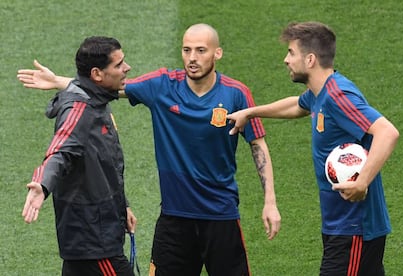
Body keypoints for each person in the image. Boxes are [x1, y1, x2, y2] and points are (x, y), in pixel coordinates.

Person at [17, 23, 281, 276]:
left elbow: (258, 145)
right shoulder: (162, 85)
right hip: (174, 220)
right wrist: (59, 81)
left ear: (217, 53)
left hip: (221, 217)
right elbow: (107, 86)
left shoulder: (237, 94)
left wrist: (270, 202)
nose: (192, 57)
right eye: (186, 49)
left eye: (201, 50)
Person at [226, 21, 399, 275]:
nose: (286, 60)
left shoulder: (338, 96)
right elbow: (297, 105)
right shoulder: (321, 93)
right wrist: (251, 113)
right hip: (341, 225)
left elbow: (387, 132)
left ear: (310, 60)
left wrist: (362, 181)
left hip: (354, 228)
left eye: (291, 52)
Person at [21, 36, 138, 276]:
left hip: (94, 232)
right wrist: (42, 184)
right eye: (119, 64)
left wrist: (121, 206)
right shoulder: (80, 110)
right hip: (94, 240)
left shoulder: (97, 99)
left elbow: (102, 166)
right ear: (97, 74)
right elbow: (60, 151)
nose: (127, 68)